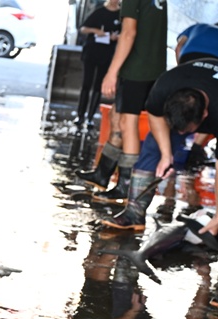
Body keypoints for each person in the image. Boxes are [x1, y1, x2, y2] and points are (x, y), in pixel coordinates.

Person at [101, 56, 218, 232]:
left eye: (186, 131)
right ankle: (134, 213)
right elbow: (155, 115)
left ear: (205, 115)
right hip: (187, 83)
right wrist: (166, 154)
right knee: (153, 147)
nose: (180, 134)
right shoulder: (165, 86)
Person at [95, 0, 168, 206]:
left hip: (136, 69)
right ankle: (105, 176)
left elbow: (128, 33)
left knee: (128, 124)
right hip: (154, 67)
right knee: (122, 120)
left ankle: (125, 186)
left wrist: (111, 72)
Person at [75, 0, 121, 129]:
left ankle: (90, 117)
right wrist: (96, 31)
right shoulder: (99, 12)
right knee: (86, 84)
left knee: (98, 86)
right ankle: (80, 115)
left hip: (107, 54)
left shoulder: (121, 15)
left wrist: (116, 37)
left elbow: (126, 33)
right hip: (92, 51)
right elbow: (83, 28)